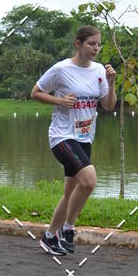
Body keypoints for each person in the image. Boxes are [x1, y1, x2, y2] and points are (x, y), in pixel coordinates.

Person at [30, 25, 116, 256]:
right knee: (88, 181)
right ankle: (68, 229)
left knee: (70, 193)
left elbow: (108, 106)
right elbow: (35, 92)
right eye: (91, 44)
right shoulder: (61, 69)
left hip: (84, 138)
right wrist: (59, 101)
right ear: (78, 43)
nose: (96, 48)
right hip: (61, 136)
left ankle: (49, 236)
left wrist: (112, 81)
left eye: (98, 44)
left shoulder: (99, 71)